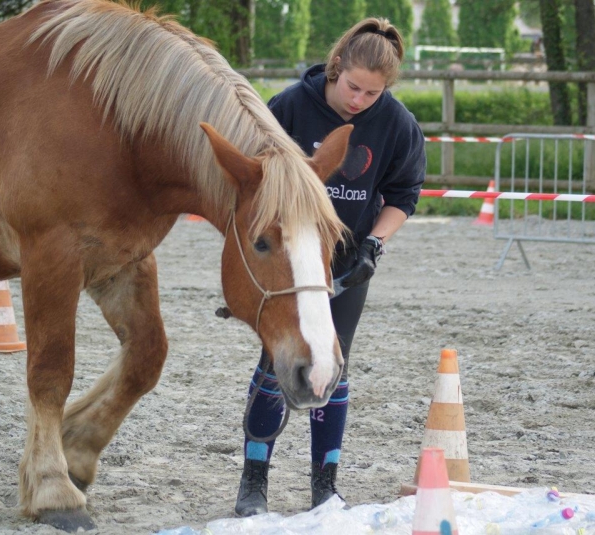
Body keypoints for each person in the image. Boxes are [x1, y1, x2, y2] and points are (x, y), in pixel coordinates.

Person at [235, 17, 426, 516]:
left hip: (345, 261)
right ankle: (253, 483)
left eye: (373, 93)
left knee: (333, 366)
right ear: (336, 67)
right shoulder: (289, 107)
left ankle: (325, 486)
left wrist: (374, 246)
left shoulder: (398, 125)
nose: (360, 100)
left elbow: (404, 196)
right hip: (293, 256)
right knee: (275, 364)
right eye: (353, 87)